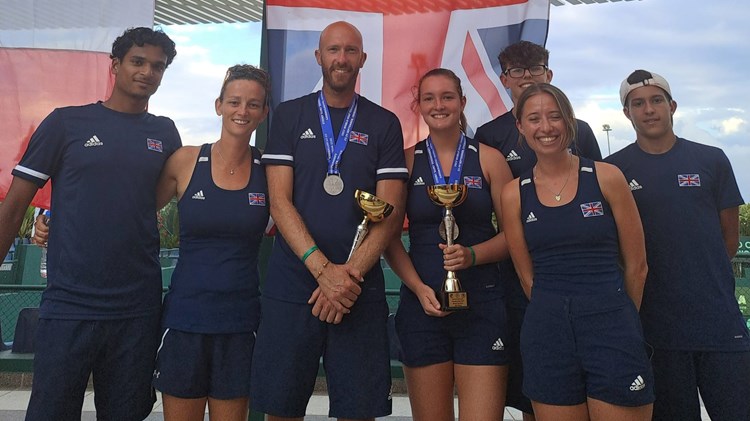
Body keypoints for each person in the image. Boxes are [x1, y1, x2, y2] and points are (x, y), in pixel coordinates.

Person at [0, 27, 180, 420]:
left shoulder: (165, 133)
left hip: (138, 309)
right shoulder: (66, 123)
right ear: (114, 65)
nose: (147, 71)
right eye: (138, 61)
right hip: (70, 305)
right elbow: (15, 205)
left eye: (157, 66)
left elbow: (155, 202)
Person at [250, 21, 408, 421]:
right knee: (281, 408)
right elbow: (279, 202)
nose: (342, 59)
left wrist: (347, 276)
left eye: (350, 51)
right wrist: (324, 273)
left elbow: (389, 212)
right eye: (333, 50)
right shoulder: (288, 116)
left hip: (358, 288)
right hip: (293, 285)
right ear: (319, 57)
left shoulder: (384, 123)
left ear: (362, 60)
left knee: (359, 410)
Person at [500, 83, 654, 421]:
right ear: (521, 127)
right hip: (548, 329)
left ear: (569, 121)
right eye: (535, 118)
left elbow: (637, 266)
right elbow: (527, 276)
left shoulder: (607, 178)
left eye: (555, 116)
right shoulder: (513, 194)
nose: (546, 127)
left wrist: (615, 315)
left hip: (610, 321)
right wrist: (557, 311)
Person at [606, 69, 750, 420]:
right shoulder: (614, 170)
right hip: (657, 329)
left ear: (672, 106)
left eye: (656, 101)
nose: (649, 109)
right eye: (638, 103)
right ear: (627, 113)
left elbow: (728, 238)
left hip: (719, 322)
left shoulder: (712, 159)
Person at [474, 40, 602, 420]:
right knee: (540, 390)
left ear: (549, 74)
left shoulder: (579, 130)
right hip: (521, 278)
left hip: (583, 274)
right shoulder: (489, 134)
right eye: (517, 71)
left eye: (535, 70)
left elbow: (600, 196)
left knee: (595, 382)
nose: (527, 78)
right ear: (504, 79)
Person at [383, 68, 513, 421]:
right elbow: (389, 239)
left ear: (462, 102)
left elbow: (514, 237)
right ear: (418, 105)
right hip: (423, 306)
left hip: (482, 304)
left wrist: (473, 255)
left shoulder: (489, 159)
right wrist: (417, 287)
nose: (438, 105)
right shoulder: (406, 161)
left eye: (447, 97)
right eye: (429, 98)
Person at [151, 65, 270, 421]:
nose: (242, 111)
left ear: (264, 113)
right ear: (219, 105)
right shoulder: (186, 160)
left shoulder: (270, 170)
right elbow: (132, 212)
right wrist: (54, 221)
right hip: (186, 319)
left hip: (240, 322)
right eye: (234, 101)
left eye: (253, 104)